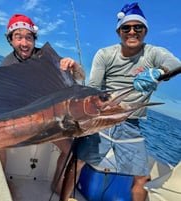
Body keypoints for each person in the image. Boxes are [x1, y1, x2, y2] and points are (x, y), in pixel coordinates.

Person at [60, 2, 181, 201]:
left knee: (143, 177)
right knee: (76, 161)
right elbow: (94, 89)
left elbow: (175, 64)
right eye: (126, 27)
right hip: (102, 120)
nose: (132, 31)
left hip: (131, 125)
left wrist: (160, 72)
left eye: (138, 27)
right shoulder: (105, 54)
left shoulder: (153, 53)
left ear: (145, 30)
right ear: (119, 31)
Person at [0, 13, 85, 196]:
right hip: (22, 120)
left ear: (34, 39)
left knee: (73, 152)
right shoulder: (7, 64)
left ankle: (57, 186)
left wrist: (74, 67)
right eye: (18, 37)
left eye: (28, 37)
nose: (24, 43)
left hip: (48, 122)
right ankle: (3, 183)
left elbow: (80, 78)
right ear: (10, 40)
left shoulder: (46, 56)